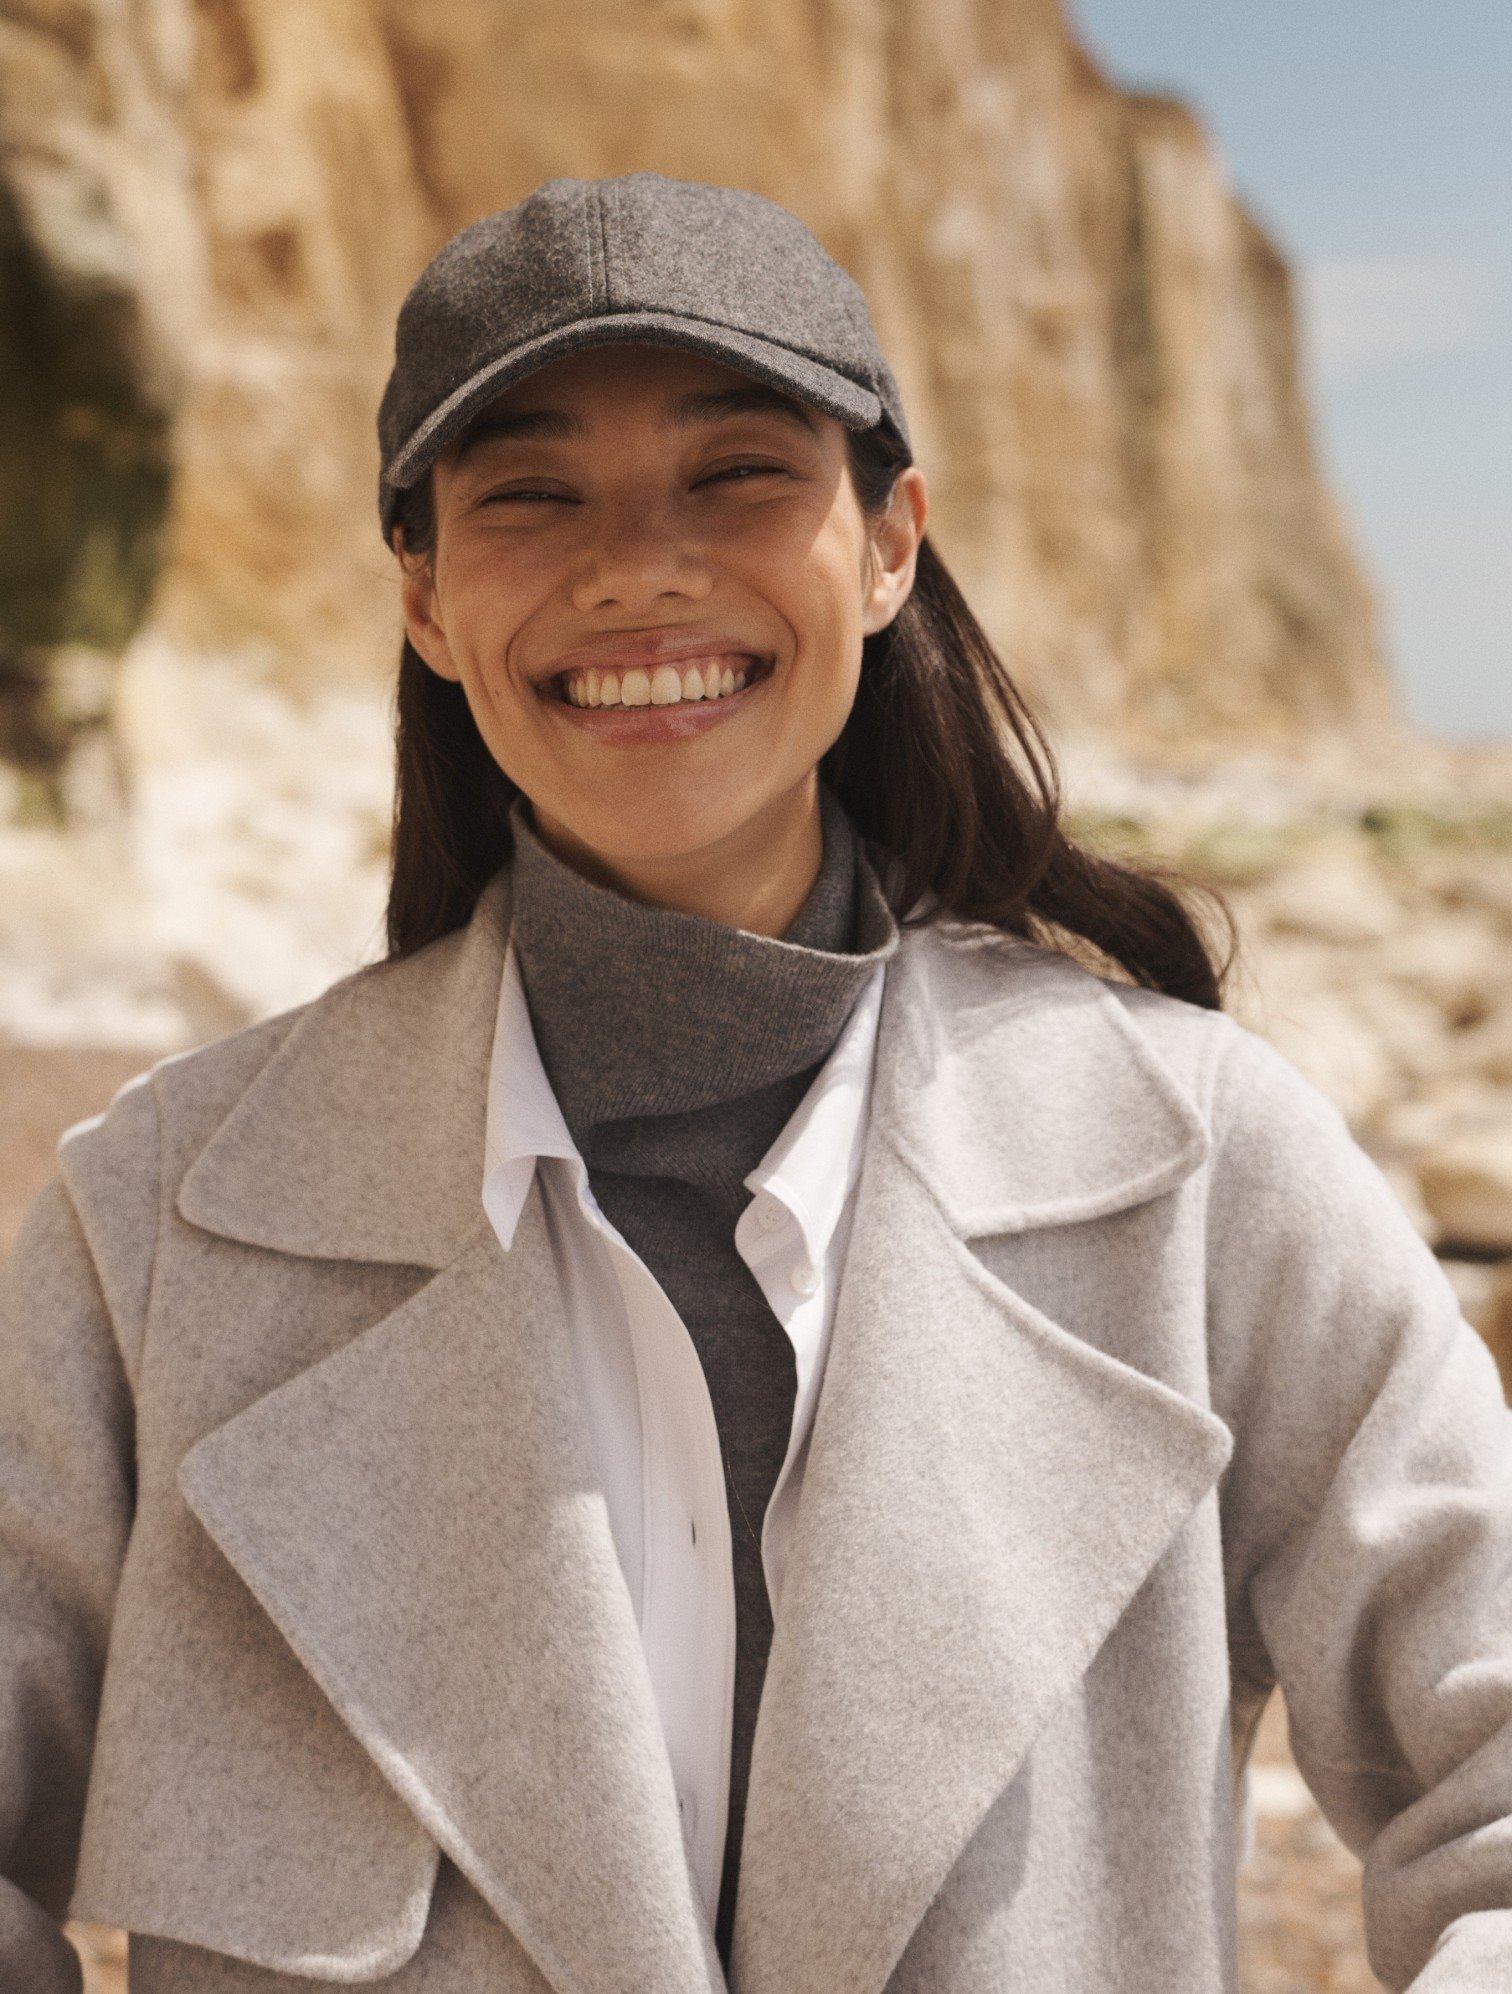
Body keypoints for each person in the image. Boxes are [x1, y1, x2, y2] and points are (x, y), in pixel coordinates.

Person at [2, 171, 1510, 1993]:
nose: (638, 565)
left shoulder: (1206, 1169)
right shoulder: (153, 1227)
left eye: (737, 476)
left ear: (889, 545)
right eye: (532, 493)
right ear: (422, 592)